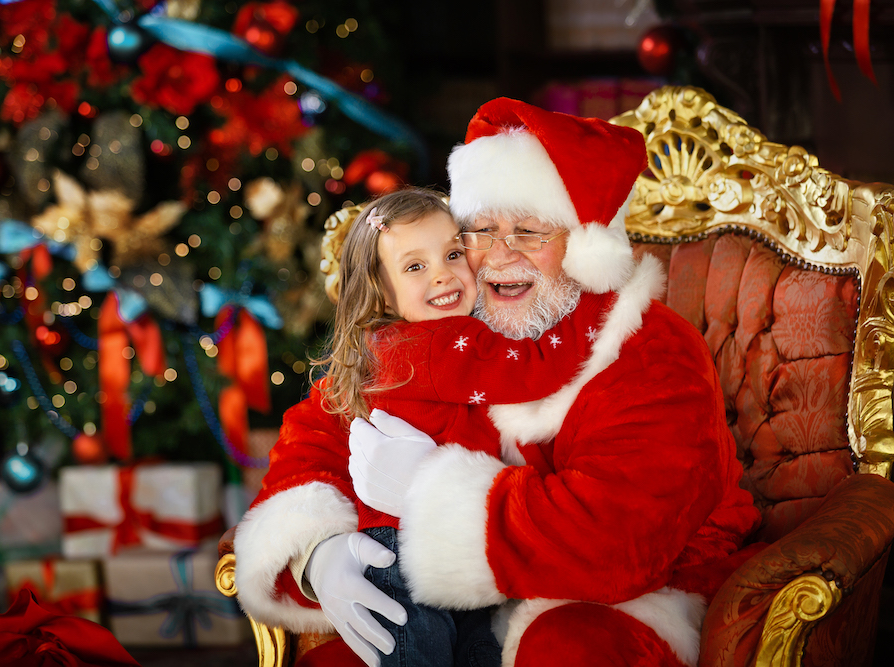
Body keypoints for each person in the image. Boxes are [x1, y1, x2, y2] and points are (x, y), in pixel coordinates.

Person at [226, 98, 762, 667]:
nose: (500, 255)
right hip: (461, 604)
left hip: (635, 598)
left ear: (583, 246)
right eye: (479, 230)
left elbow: (617, 543)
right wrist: (318, 551)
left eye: (529, 232)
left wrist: (427, 494)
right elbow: (317, 431)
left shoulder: (650, 349)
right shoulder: (445, 324)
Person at [305, 186, 618, 667]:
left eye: (453, 253)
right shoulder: (438, 343)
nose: (443, 276)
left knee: (477, 651)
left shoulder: (389, 342)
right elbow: (532, 369)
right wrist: (597, 308)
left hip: (437, 548)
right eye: (415, 267)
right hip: (406, 554)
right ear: (381, 290)